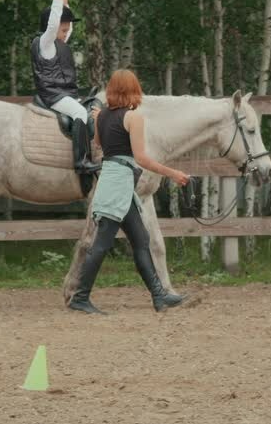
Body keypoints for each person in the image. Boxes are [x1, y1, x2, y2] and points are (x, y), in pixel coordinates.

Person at [68, 69, 191, 314]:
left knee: (141, 240)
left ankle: (159, 296)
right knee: (101, 244)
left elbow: (101, 145)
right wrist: (173, 173)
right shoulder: (134, 118)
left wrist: (98, 119)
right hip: (119, 184)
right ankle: (80, 298)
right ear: (134, 89)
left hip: (115, 182)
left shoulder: (101, 115)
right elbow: (142, 159)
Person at [31, 0, 98, 173]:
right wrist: (58, 0)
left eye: (67, 29)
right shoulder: (45, 42)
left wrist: (66, 4)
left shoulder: (60, 42)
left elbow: (64, 28)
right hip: (52, 94)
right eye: (64, 29)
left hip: (65, 93)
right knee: (80, 113)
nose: (66, 32)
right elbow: (53, 26)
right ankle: (80, 162)